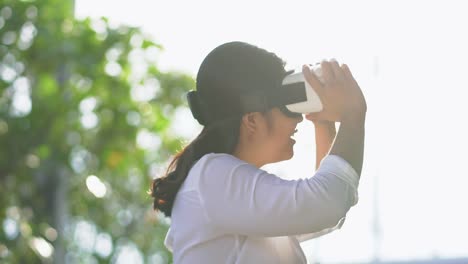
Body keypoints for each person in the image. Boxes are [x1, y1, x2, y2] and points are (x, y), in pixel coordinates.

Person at [150, 41, 367, 263]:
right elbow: (327, 202)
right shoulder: (211, 176)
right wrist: (353, 115)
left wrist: (324, 122)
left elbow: (321, 213)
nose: (298, 117)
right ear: (252, 120)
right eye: (287, 104)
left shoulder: (220, 190)